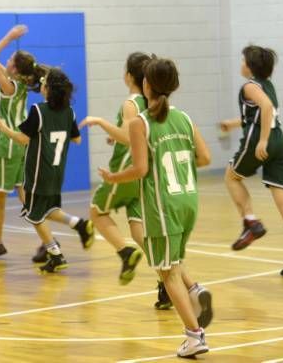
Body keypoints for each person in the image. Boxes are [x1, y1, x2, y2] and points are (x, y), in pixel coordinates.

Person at [100, 57, 212, 358]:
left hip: (162, 206)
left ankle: (194, 335)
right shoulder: (185, 118)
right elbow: (204, 158)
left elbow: (138, 169)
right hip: (189, 200)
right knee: (173, 266)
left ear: (145, 85)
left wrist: (113, 177)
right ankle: (195, 296)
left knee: (168, 273)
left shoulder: (140, 122)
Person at [80, 51, 172, 308]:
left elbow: (130, 137)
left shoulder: (131, 102)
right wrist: (115, 133)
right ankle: (166, 283)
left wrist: (100, 122)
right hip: (146, 170)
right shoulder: (150, 101)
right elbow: (136, 131)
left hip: (127, 168)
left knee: (97, 211)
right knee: (138, 230)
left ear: (129, 76)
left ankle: (125, 251)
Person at [220, 45, 283, 277]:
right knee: (282, 197)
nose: (241, 64)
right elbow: (260, 114)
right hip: (279, 142)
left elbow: (266, 107)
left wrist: (262, 141)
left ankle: (251, 223)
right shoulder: (267, 85)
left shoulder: (249, 86)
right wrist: (233, 124)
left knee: (231, 177)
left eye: (243, 60)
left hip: (260, 143)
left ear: (250, 66)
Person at [0, 67, 94, 274]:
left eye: (44, 81)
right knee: (48, 210)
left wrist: (3, 128)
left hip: (39, 173)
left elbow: (23, 138)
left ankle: (56, 254)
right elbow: (77, 139)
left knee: (33, 215)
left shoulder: (38, 110)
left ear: (48, 89)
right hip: (57, 173)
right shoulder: (69, 112)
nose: (41, 83)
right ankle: (79, 224)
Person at [0, 15, 44, 261]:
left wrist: (10, 37)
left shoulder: (8, 86)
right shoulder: (17, 82)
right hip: (19, 145)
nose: (7, 59)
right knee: (24, 194)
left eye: (11, 59)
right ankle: (48, 241)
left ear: (14, 68)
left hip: (6, 145)